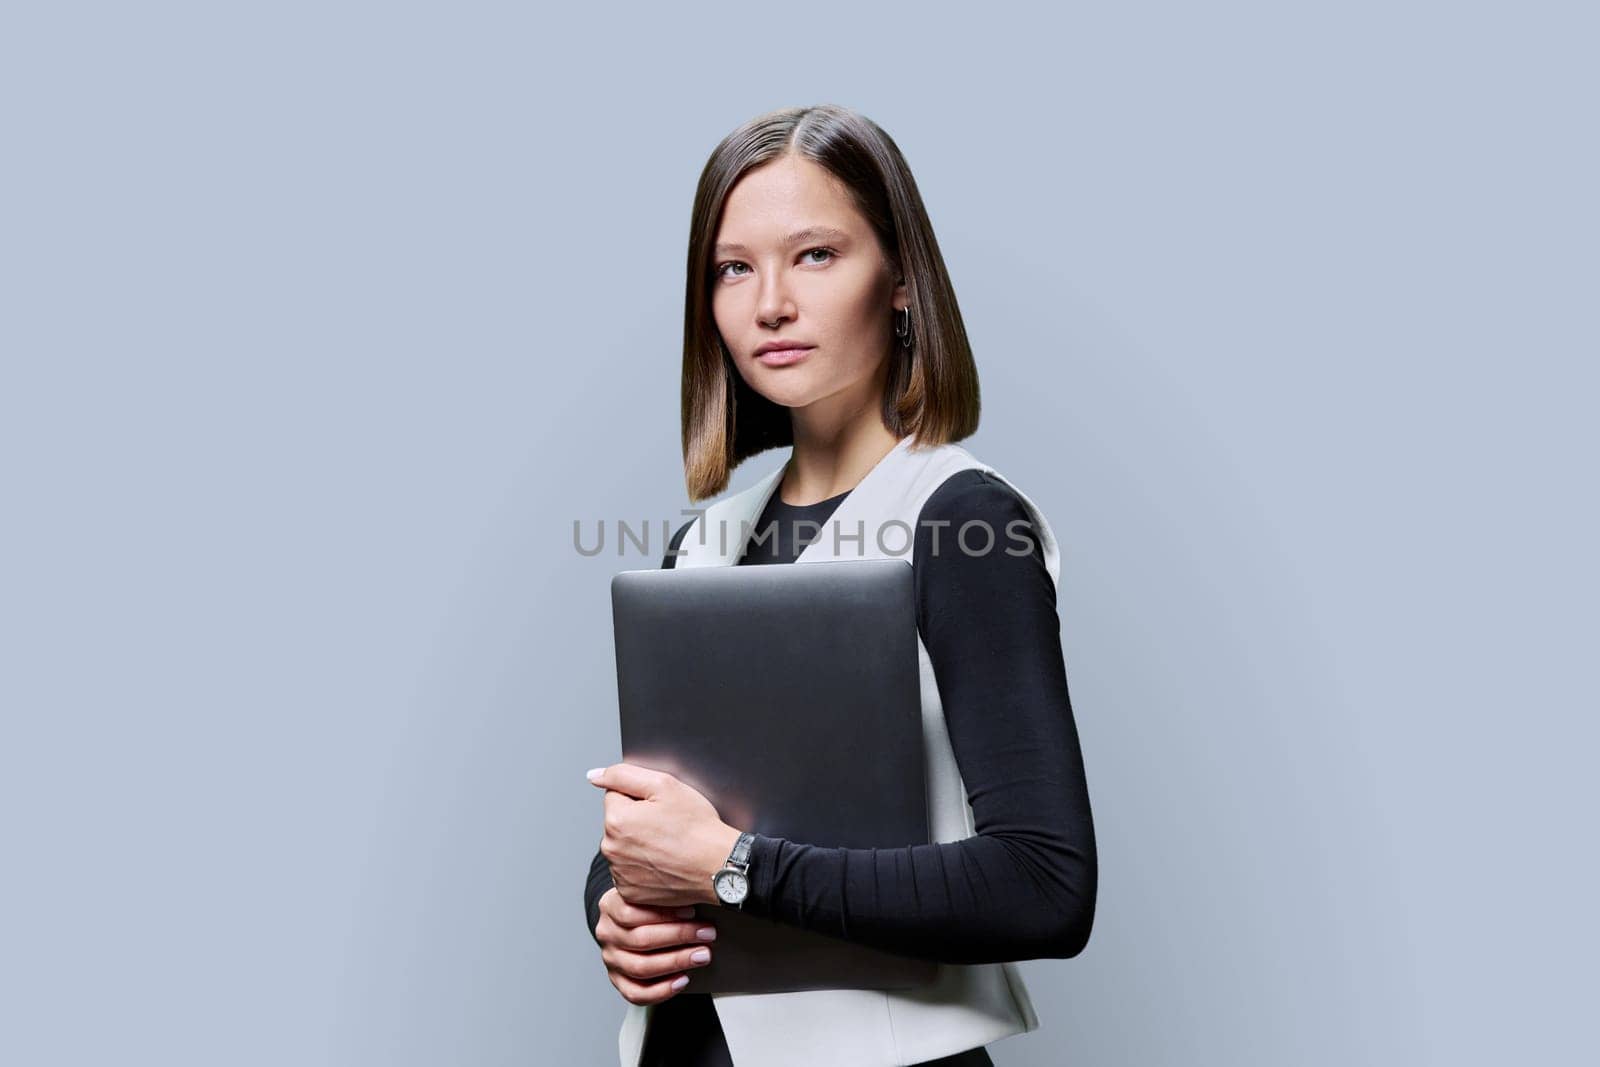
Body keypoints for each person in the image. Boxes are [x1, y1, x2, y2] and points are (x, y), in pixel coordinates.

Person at [582, 104, 1097, 1067]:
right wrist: (613, 909)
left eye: (815, 254)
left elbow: (1045, 882)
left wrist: (732, 868)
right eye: (733, 268)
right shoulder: (705, 544)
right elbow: (666, 827)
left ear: (901, 281)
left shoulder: (962, 523)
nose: (769, 302)